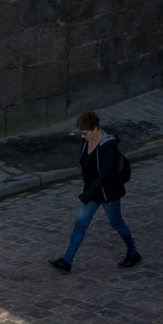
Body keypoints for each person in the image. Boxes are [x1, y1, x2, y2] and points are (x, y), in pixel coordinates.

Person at [49, 112, 142, 273]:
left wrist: (86, 195)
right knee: (80, 225)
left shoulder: (108, 148)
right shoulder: (86, 144)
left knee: (116, 222)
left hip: (108, 194)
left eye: (85, 133)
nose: (82, 137)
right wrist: (88, 193)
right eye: (81, 133)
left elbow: (105, 176)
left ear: (95, 129)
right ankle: (67, 261)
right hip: (93, 193)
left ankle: (133, 253)